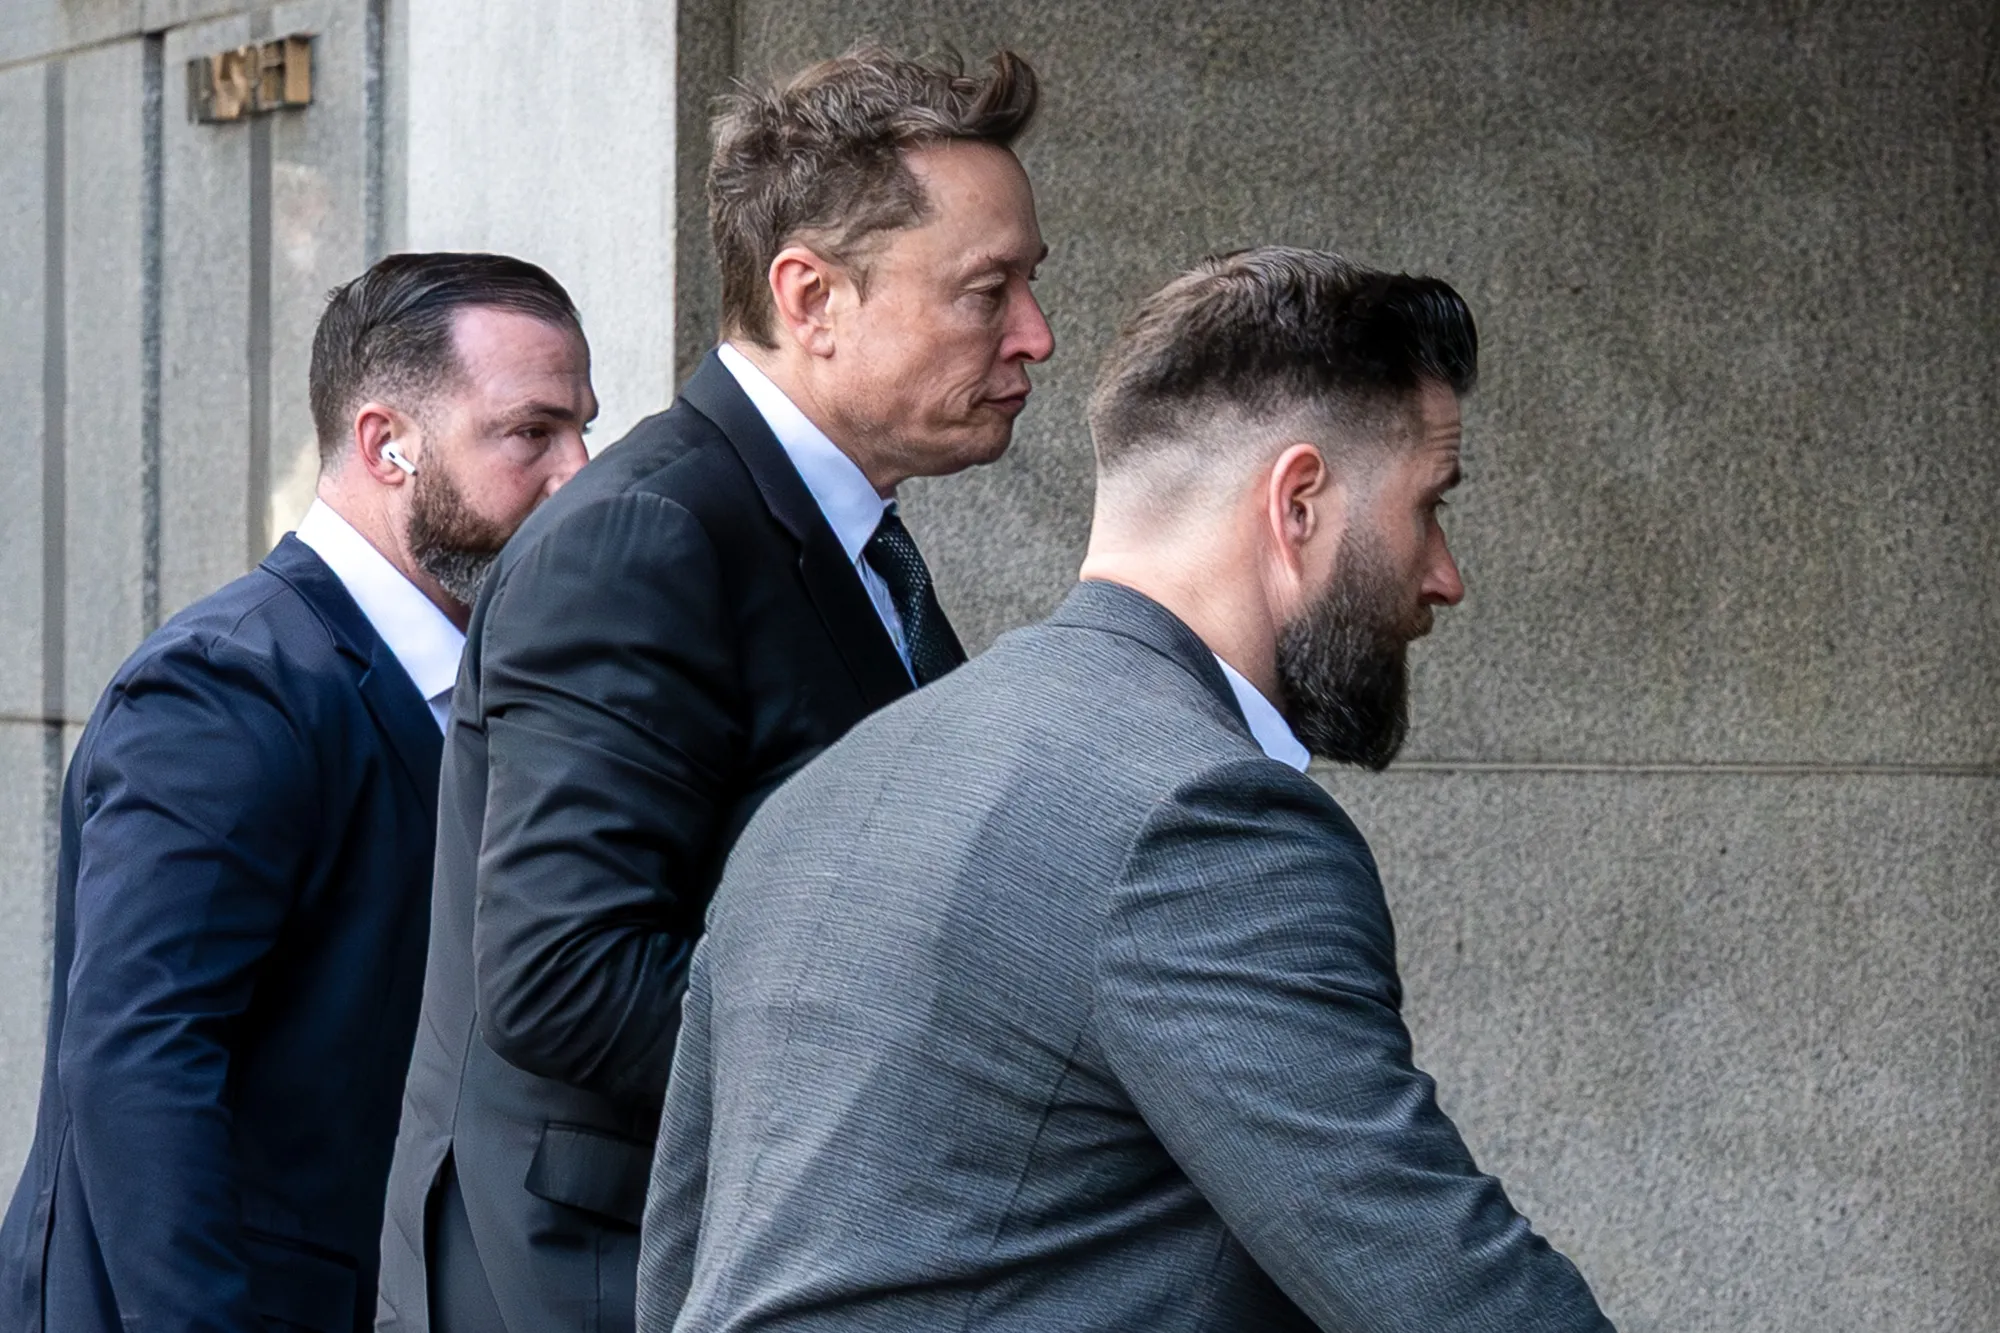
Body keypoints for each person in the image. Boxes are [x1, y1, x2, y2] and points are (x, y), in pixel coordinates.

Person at [637, 247, 1616, 1332]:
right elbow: (1437, 1285)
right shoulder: (1200, 824)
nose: (1443, 573)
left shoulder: (831, 789)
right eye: (1427, 506)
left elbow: (682, 1263)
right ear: (1296, 502)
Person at [377, 46, 1054, 1333]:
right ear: (811, 296)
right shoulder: (645, 537)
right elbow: (564, 977)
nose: (1034, 333)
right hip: (601, 1278)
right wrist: (935, 1066)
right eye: (988, 290)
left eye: (1029, 285)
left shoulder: (827, 531)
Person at [0, 252, 595, 1333]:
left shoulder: (488, 681)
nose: (578, 471)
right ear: (386, 444)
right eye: (531, 433)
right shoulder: (228, 686)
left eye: (583, 428)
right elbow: (139, 1062)